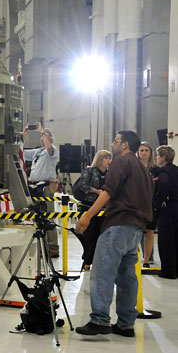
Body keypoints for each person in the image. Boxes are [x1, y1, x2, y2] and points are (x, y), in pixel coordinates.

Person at [75, 130, 153, 338]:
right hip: (135, 229)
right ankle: (126, 324)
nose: (113, 144)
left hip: (118, 225)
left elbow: (108, 191)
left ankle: (99, 320)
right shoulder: (142, 168)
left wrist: (87, 216)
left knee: (102, 271)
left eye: (116, 141)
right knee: (127, 277)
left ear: (125, 144)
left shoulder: (121, 162)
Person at [23, 122, 60, 257]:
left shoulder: (53, 151)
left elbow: (49, 148)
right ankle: (41, 247)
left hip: (46, 186)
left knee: (48, 216)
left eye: (45, 137)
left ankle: (52, 247)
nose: (42, 139)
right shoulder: (37, 152)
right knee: (37, 217)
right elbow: (21, 151)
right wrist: (24, 135)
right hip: (35, 186)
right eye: (41, 137)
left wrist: (42, 132)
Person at [79, 150, 112, 270]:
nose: (108, 161)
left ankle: (98, 262)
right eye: (106, 158)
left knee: (101, 236)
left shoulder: (110, 173)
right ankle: (87, 261)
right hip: (89, 205)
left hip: (104, 208)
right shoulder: (89, 170)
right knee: (89, 236)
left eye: (110, 158)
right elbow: (83, 185)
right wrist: (97, 192)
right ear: (100, 159)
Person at [154, 145, 178, 279]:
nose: (157, 158)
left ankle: (168, 271)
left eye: (158, 155)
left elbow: (163, 184)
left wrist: (161, 199)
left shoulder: (163, 172)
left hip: (167, 209)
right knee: (176, 238)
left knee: (166, 240)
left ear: (163, 157)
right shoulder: (176, 170)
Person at [137, 141, 160, 267]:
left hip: (151, 204)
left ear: (150, 153)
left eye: (146, 150)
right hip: (135, 203)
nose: (144, 153)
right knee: (134, 232)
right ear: (137, 152)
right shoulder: (134, 167)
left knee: (149, 232)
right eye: (142, 150)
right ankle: (133, 260)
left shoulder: (156, 169)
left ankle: (146, 260)